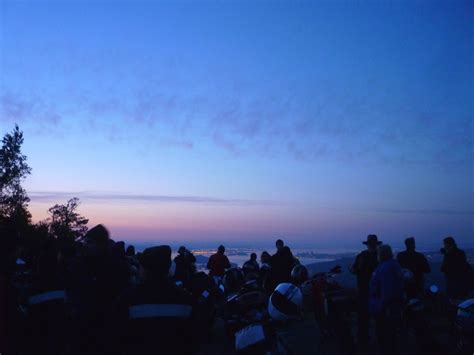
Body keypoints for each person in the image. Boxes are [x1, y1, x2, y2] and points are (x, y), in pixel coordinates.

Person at [119, 245, 197, 355]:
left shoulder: (128, 298)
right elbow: (192, 338)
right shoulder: (187, 300)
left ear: (144, 270)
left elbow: (118, 337)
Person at [369, 244, 404, 355]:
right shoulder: (393, 265)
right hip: (390, 305)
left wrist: (380, 307)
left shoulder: (385, 268)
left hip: (385, 308)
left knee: (385, 336)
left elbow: (386, 291)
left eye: (378, 253)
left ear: (381, 254)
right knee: (391, 335)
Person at [350, 234, 381, 348]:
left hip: (363, 290)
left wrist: (352, 269)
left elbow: (354, 270)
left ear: (367, 244)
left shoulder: (361, 256)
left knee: (363, 317)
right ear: (376, 244)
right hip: (378, 291)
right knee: (378, 317)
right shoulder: (380, 256)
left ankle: (362, 341)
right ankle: (380, 340)